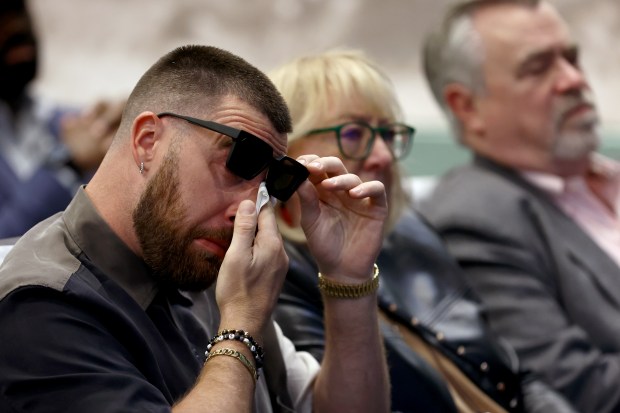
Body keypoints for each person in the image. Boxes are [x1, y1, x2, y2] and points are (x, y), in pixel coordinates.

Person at [0, 44, 390, 413]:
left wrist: (348, 280)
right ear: (148, 141)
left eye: (271, 181)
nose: (247, 209)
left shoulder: (201, 264)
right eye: (238, 162)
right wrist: (239, 327)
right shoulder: (41, 303)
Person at [268, 49, 576, 413]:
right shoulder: (276, 273)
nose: (382, 154)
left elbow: (516, 375)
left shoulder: (410, 232)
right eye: (354, 133)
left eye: (386, 133)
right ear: (289, 151)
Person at [419, 1, 620, 412]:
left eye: (571, 58)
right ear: (467, 107)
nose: (573, 79)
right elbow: (577, 387)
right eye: (538, 67)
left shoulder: (606, 177)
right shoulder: (475, 219)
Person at [0, 0, 123, 237]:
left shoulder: (63, 121)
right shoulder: (70, 145)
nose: (17, 26)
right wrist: (66, 165)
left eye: (20, 12)